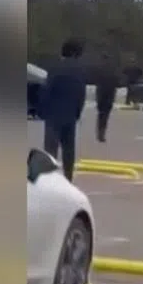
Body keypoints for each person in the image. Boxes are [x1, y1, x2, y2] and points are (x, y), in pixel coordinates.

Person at [41, 38, 86, 179]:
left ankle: (49, 179)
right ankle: (68, 178)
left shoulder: (55, 67)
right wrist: (77, 112)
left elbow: (47, 90)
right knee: (68, 150)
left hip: (53, 114)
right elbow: (81, 93)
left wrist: (43, 110)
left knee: (50, 150)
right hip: (70, 115)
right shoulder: (80, 70)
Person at [93, 50, 120, 143]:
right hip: (109, 93)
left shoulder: (99, 68)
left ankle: (100, 132)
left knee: (101, 114)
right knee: (105, 115)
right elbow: (117, 82)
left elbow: (95, 80)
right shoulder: (113, 69)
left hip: (101, 93)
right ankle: (102, 133)